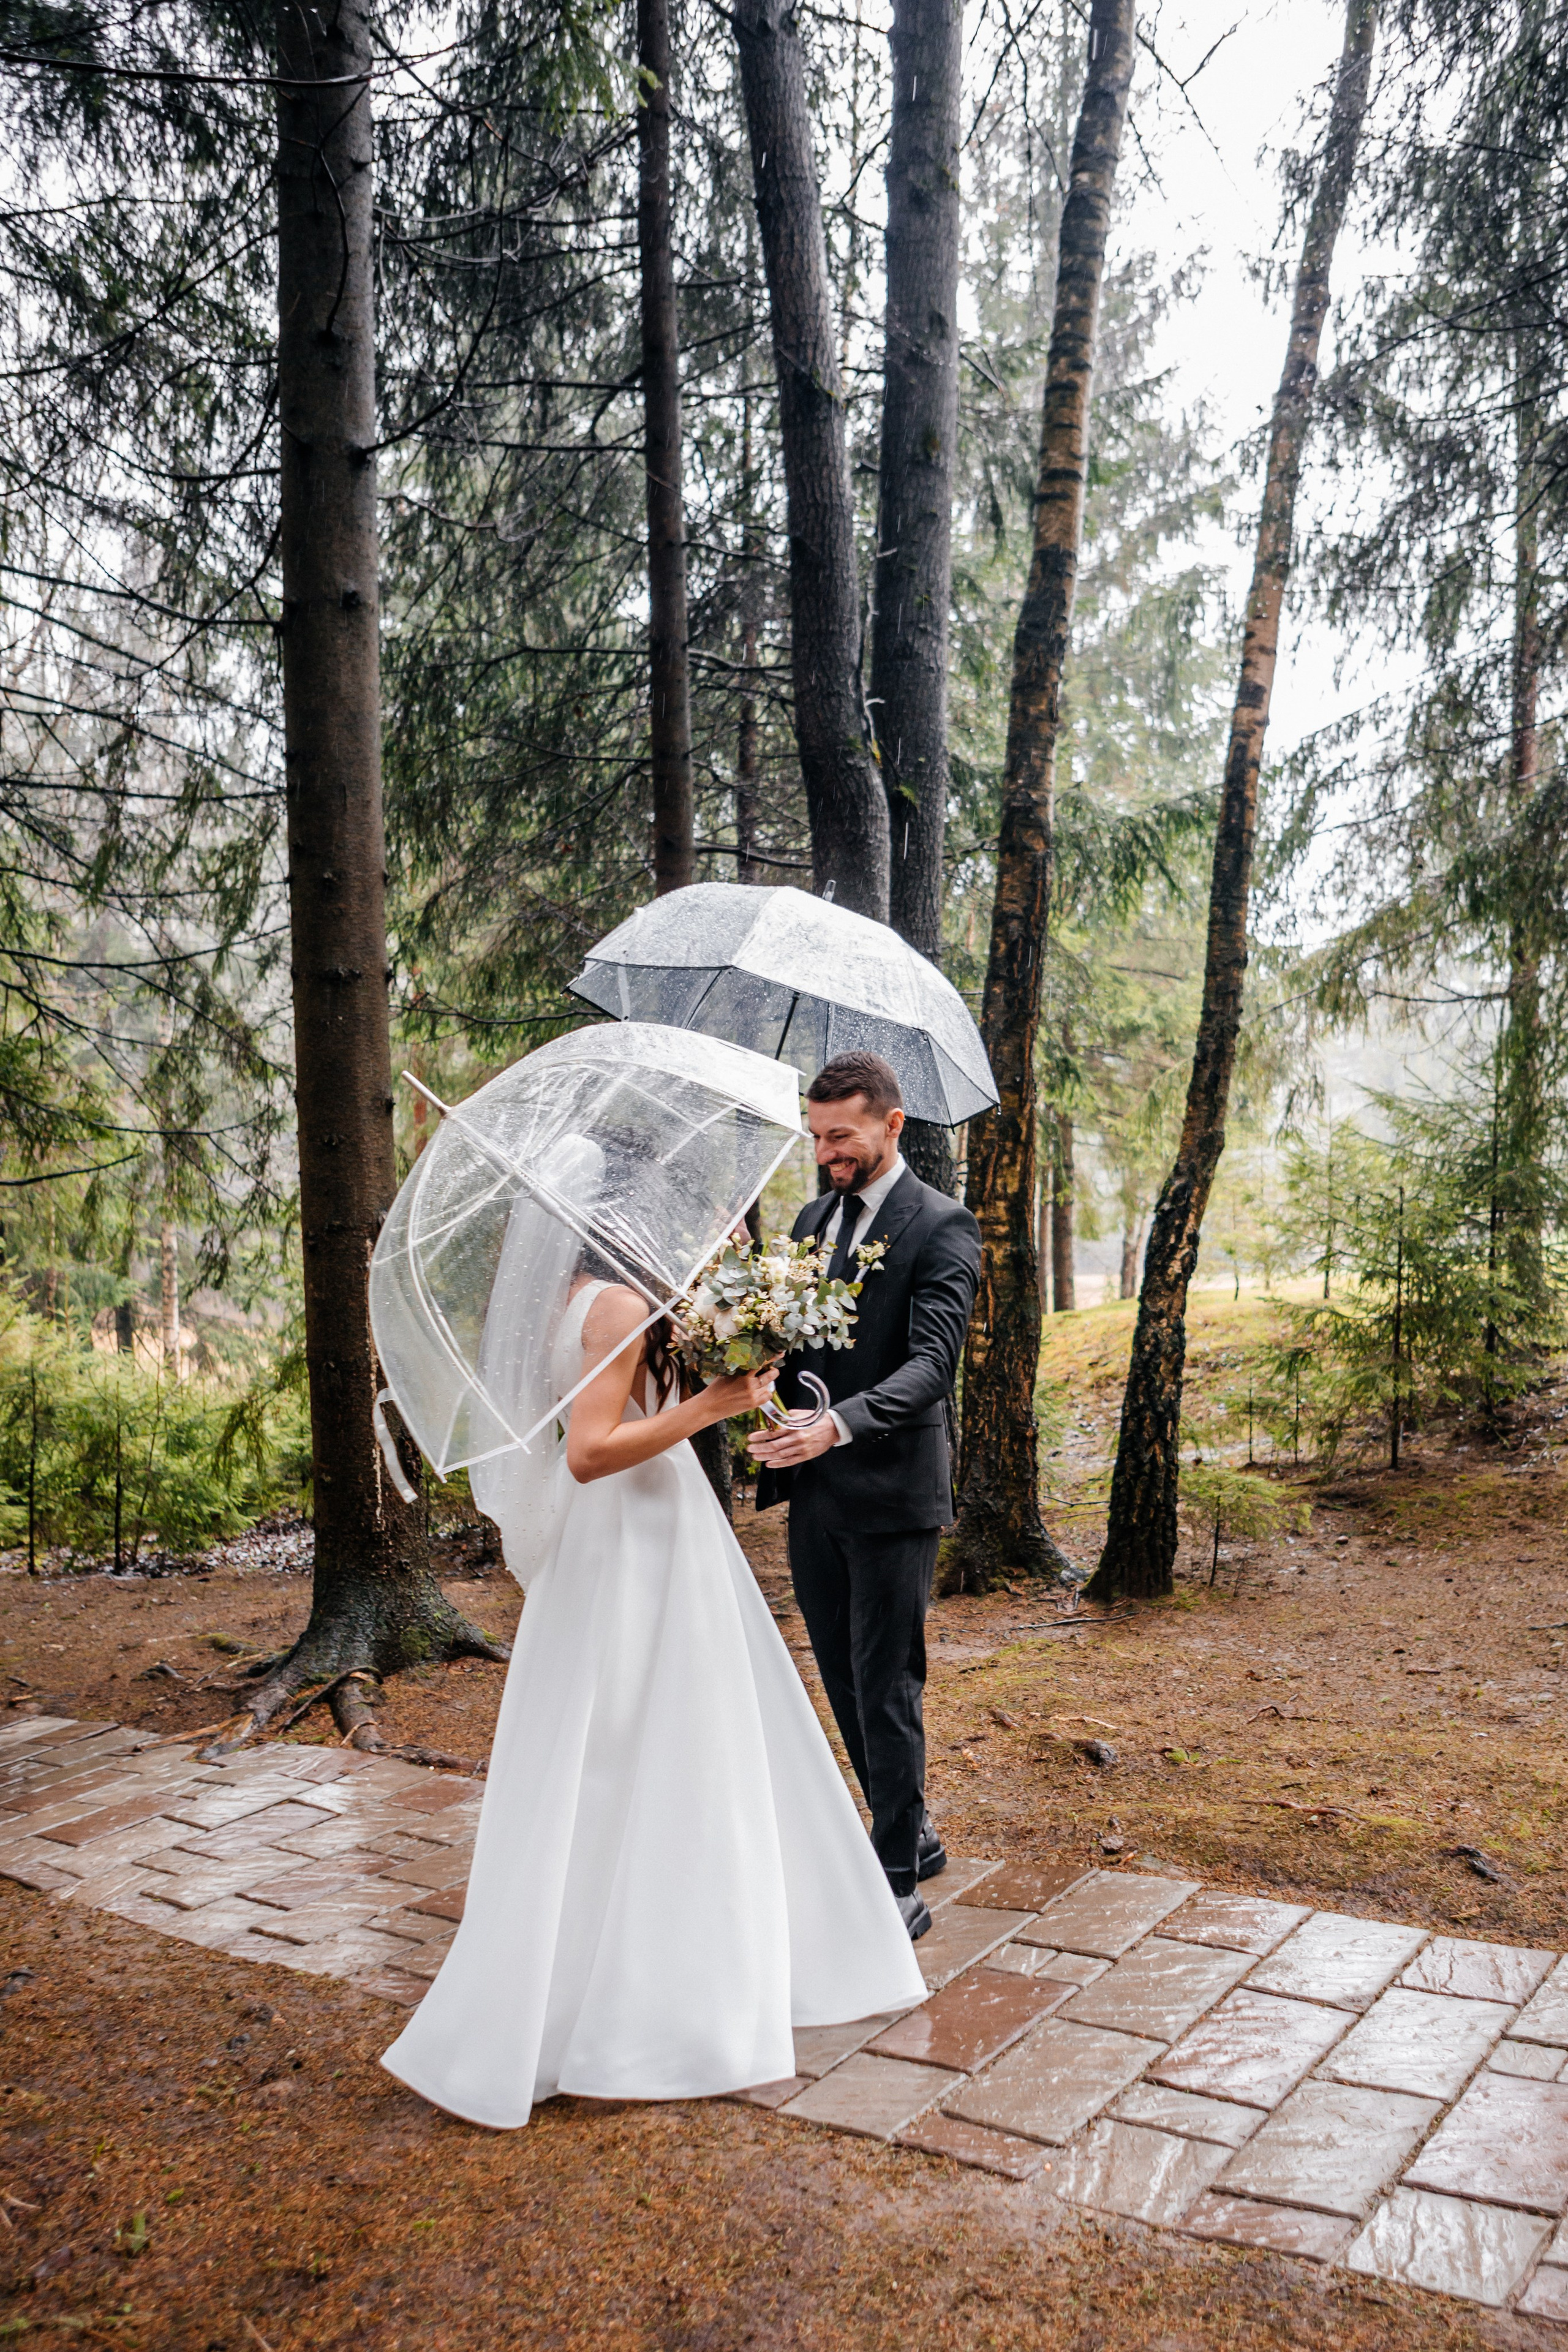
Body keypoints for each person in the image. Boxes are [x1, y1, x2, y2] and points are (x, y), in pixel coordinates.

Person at [382, 1239, 927, 2131]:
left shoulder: (575, 1298)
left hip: (639, 1531)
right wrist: (711, 1405)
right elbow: (590, 1451)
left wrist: (731, 1372)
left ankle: (648, 1973)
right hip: (636, 1536)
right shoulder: (620, 1307)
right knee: (674, 1750)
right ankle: (669, 2005)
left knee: (632, 1750)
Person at [748, 1052, 982, 1941]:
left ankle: (893, 1881)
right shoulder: (813, 1218)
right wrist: (748, 1367)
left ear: (892, 1124)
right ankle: (910, 1826)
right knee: (842, 1676)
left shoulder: (944, 1224)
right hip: (815, 1490)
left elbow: (931, 1366)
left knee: (887, 1684)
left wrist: (837, 1426)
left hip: (892, 1494)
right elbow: (802, 1347)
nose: (825, 1155)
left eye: (840, 1136)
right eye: (815, 1138)